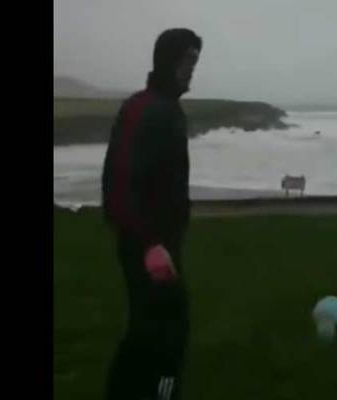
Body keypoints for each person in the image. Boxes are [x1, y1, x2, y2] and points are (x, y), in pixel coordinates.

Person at [101, 28, 202, 400]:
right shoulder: (144, 108)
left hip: (161, 244)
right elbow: (119, 184)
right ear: (167, 60)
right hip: (146, 246)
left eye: (195, 62)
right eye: (186, 61)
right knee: (169, 333)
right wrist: (150, 245)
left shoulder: (168, 109)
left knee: (145, 332)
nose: (191, 70)